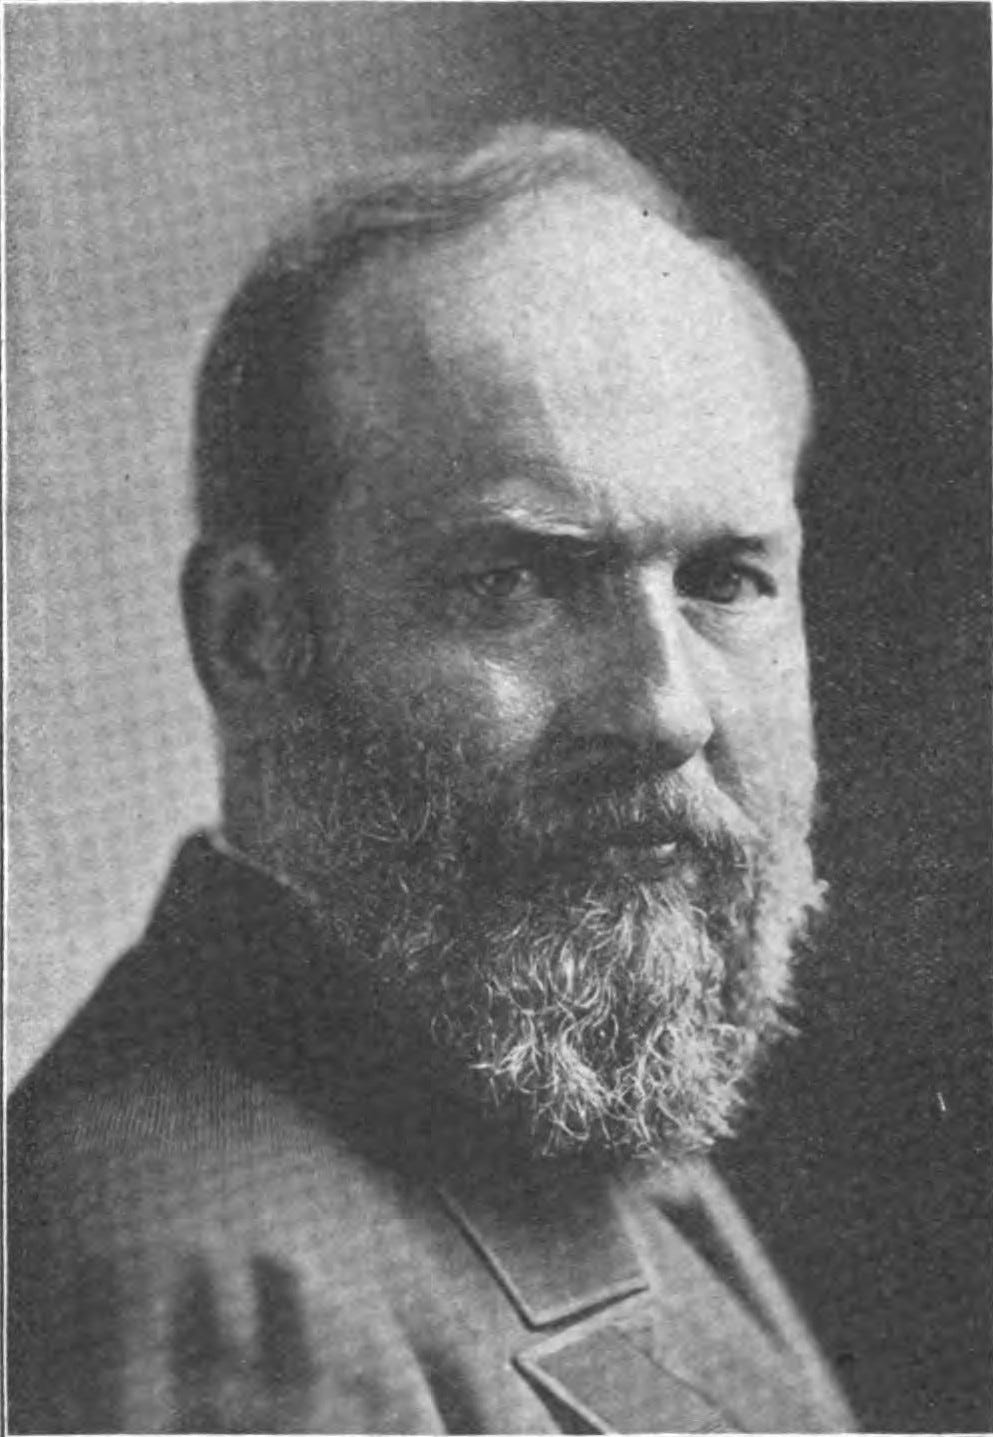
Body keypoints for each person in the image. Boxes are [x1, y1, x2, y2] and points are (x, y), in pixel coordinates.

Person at [8, 124, 855, 1433]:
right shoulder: (222, 1292)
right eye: (514, 583)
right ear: (253, 637)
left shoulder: (541, 1102)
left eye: (724, 580)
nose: (665, 709)